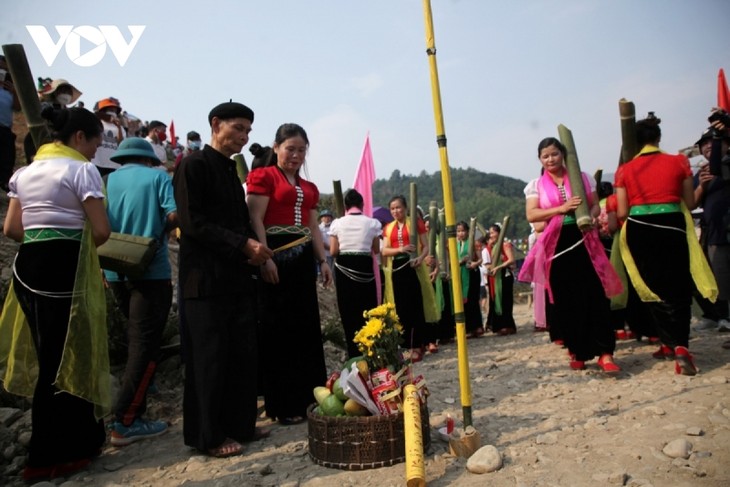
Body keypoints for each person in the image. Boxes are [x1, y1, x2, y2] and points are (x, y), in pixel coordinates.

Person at [0, 106, 110, 480]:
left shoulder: (24, 172)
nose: (96, 150)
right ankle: (60, 451)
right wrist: (71, 244)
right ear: (80, 137)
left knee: (49, 359)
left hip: (28, 269)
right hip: (64, 271)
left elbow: (12, 228)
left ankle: (51, 451)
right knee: (68, 359)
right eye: (95, 142)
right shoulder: (81, 170)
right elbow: (100, 231)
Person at [173, 101, 273, 457]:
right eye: (238, 128)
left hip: (236, 276)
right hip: (204, 280)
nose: (244, 137)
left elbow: (240, 220)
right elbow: (192, 222)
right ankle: (208, 435)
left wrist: (258, 252)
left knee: (241, 354)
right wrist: (242, 244)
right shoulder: (192, 166)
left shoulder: (231, 171)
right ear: (216, 124)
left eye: (248, 131)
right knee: (209, 358)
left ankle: (240, 424)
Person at [615, 114, 716, 375]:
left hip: (639, 229)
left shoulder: (625, 169)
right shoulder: (678, 161)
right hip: (672, 225)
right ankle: (680, 346)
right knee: (678, 287)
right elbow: (690, 204)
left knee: (652, 287)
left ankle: (666, 342)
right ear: (658, 138)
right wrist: (702, 187)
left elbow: (623, 211)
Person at [247, 123, 331, 425]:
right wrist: (264, 256)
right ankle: (282, 404)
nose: (295, 155)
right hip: (275, 254)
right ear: (277, 147)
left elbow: (313, 228)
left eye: (301, 150)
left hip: (302, 258)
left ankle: (310, 397)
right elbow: (255, 217)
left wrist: (322, 261)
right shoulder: (263, 176)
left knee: (305, 326)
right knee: (276, 327)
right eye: (290, 148)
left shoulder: (309, 188)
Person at [519, 137, 623, 374]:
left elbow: (595, 205)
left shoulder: (582, 177)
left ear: (563, 154)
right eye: (545, 156)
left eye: (554, 154)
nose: (550, 159)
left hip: (585, 237)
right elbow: (532, 215)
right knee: (566, 298)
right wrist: (561, 209)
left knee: (596, 293)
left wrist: (592, 216)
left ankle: (605, 352)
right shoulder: (535, 185)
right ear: (540, 159)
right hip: (556, 243)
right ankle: (577, 350)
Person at [104, 137, 178, 446]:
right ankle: (126, 421)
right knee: (144, 345)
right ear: (149, 159)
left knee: (135, 338)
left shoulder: (107, 179)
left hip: (114, 269)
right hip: (151, 269)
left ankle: (140, 397)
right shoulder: (159, 177)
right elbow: (174, 215)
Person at [380, 195, 439, 362]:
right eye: (392, 208)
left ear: (405, 208)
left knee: (416, 306)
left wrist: (420, 259)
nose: (396, 211)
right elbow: (384, 251)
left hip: (414, 268)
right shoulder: (388, 228)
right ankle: (405, 346)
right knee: (401, 309)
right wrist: (401, 249)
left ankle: (417, 345)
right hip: (397, 271)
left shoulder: (415, 223)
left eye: (398, 207)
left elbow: (426, 246)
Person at [329, 189, 382, 358]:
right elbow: (376, 249)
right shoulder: (373, 223)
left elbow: (333, 250)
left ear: (345, 206)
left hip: (344, 267)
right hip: (364, 267)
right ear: (362, 205)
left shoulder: (337, 223)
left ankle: (354, 353)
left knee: (348, 310)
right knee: (367, 308)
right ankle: (370, 351)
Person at [693, 123, 730, 333]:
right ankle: (720, 316)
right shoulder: (702, 173)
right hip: (713, 233)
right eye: (704, 144)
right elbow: (692, 203)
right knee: (718, 277)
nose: (709, 147)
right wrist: (702, 186)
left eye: (713, 142)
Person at [24, 78, 82, 163]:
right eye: (63, 91)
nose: (65, 94)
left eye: (68, 92)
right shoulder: (44, 106)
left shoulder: (70, 112)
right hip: (40, 138)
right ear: (55, 92)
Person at [485, 223, 517, 335]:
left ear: (499, 233)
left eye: (493, 232)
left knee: (506, 300)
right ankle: (499, 325)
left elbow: (511, 260)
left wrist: (498, 267)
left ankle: (508, 325)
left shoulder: (505, 244)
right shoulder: (493, 247)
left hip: (505, 275)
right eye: (490, 233)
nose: (491, 235)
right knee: (497, 300)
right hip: (496, 276)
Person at [456, 220, 484, 337]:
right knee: (462, 301)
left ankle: (477, 326)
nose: (461, 233)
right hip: (460, 274)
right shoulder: (454, 244)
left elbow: (480, 259)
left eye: (463, 231)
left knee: (472, 300)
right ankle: (466, 327)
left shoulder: (473, 242)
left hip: (472, 273)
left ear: (467, 231)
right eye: (458, 231)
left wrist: (474, 264)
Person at [91, 97, 125, 176]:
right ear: (103, 111)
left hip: (114, 164)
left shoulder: (120, 127)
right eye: (110, 110)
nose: (113, 113)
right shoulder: (97, 122)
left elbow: (121, 143)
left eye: (114, 111)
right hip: (97, 162)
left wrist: (119, 127)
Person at [0, 55, 20, 191]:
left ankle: (5, 183)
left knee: (6, 160)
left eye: (4, 69)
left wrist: (14, 92)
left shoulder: (10, 90)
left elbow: (18, 108)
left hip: (5, 129)